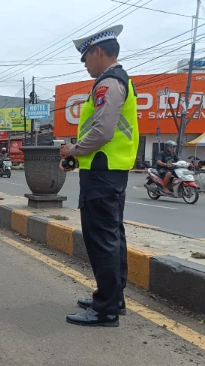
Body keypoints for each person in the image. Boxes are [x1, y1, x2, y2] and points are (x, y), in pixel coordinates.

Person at [59, 24, 139, 327]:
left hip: (102, 172)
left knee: (102, 239)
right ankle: (112, 298)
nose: (85, 65)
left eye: (85, 58)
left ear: (98, 52)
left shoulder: (108, 83)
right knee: (113, 236)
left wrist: (73, 150)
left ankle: (105, 309)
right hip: (111, 170)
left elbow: (103, 131)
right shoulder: (120, 81)